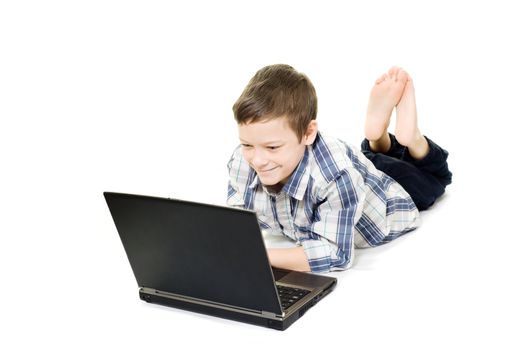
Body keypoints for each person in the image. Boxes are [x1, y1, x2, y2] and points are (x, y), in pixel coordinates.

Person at [226, 64, 452, 273]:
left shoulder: (336, 176)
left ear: (308, 133)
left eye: (272, 147)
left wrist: (259, 256)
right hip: (363, 171)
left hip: (392, 195)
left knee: (435, 179)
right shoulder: (242, 162)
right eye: (247, 144)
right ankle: (378, 138)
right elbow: (236, 220)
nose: (257, 160)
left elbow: (336, 253)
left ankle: (411, 138)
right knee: (372, 159)